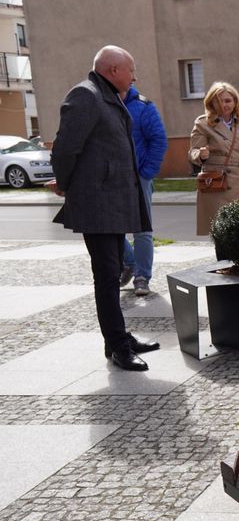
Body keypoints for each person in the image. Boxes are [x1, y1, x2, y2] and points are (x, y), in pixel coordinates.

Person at [48, 45, 160, 371]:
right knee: (108, 278)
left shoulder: (107, 95)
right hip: (98, 203)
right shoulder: (86, 96)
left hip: (112, 200)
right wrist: (65, 184)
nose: (134, 75)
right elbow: (65, 149)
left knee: (111, 276)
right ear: (113, 70)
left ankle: (118, 340)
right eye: (131, 69)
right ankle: (119, 347)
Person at [189, 81, 239, 236]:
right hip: (221, 186)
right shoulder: (203, 123)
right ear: (211, 103)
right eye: (218, 101)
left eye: (228, 100)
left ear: (235, 102)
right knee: (225, 233)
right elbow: (193, 152)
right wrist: (201, 155)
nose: (224, 105)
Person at [120, 83, 168, 296]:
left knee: (142, 229)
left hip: (139, 176)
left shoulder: (143, 105)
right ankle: (129, 261)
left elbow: (158, 139)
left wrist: (146, 171)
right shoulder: (100, 102)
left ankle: (142, 276)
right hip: (109, 176)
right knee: (109, 228)